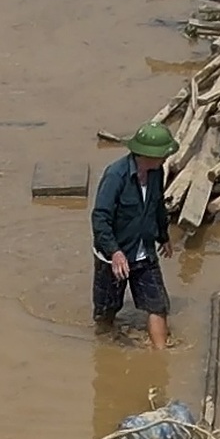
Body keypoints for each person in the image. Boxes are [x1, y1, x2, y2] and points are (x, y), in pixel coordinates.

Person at [92, 121, 178, 348]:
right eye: (163, 155)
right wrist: (115, 252)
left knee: (158, 305)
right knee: (106, 313)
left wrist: (163, 235)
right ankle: (107, 350)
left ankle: (160, 357)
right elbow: (100, 218)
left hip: (144, 252)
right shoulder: (115, 176)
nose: (166, 159)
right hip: (114, 256)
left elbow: (157, 205)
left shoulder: (157, 173)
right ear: (148, 155)